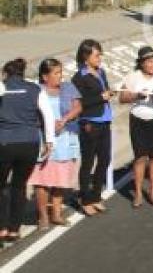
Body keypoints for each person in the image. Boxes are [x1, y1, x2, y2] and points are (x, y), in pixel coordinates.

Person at [0, 59, 54, 241]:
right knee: (19, 185)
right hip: (29, 143)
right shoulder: (35, 89)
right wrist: (49, 141)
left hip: (4, 143)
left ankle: (2, 227)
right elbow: (48, 115)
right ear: (22, 73)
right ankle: (14, 228)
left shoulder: (2, 87)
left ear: (6, 74)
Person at [28, 58, 81, 229]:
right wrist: (47, 125)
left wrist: (64, 119)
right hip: (44, 139)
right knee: (42, 179)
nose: (60, 76)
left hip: (65, 137)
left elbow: (78, 107)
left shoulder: (68, 87)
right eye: (56, 73)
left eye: (61, 72)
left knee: (60, 178)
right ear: (45, 76)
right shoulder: (36, 91)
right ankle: (43, 215)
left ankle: (56, 213)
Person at [119, 46, 153, 208]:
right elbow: (122, 97)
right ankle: (138, 194)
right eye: (150, 61)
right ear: (141, 63)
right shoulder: (132, 77)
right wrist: (137, 95)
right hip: (138, 120)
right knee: (140, 157)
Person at [72, 38, 114, 217]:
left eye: (100, 54)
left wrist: (109, 93)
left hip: (105, 121)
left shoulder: (101, 72)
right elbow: (79, 103)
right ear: (85, 56)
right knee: (88, 162)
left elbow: (104, 91)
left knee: (104, 160)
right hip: (90, 122)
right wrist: (101, 97)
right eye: (96, 55)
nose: (100, 58)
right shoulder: (79, 77)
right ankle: (85, 198)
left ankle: (96, 196)